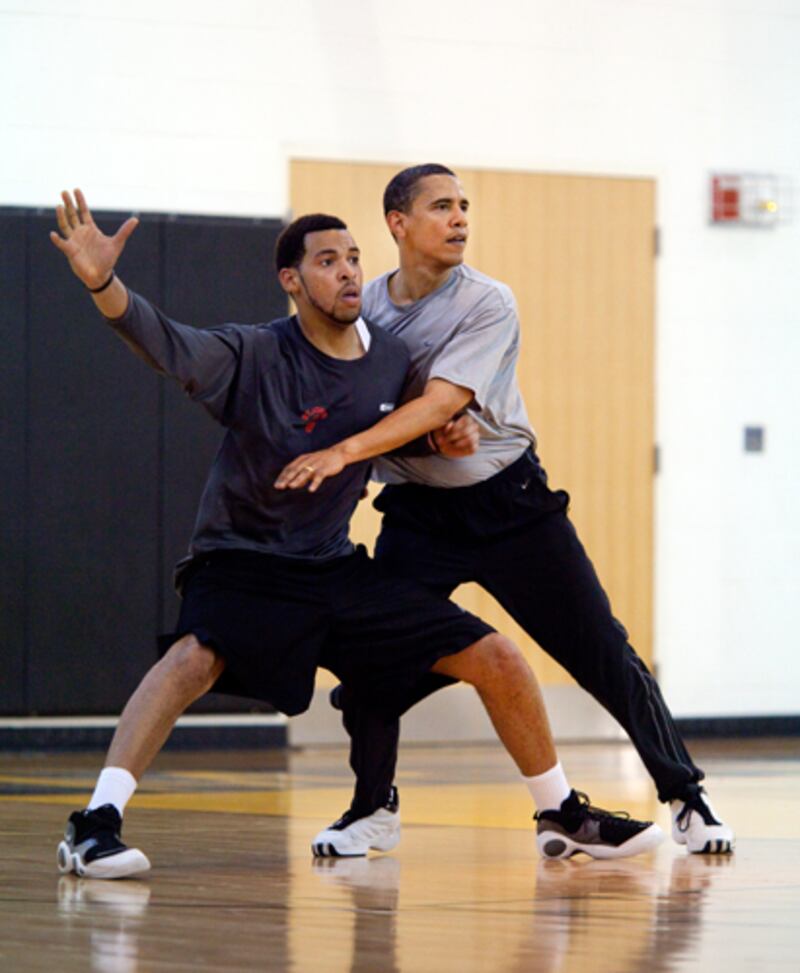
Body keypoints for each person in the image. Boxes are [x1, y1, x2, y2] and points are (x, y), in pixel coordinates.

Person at [50, 190, 661, 879]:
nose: (346, 273)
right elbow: (161, 340)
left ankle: (559, 812)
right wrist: (103, 282)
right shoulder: (252, 353)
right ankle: (95, 821)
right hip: (243, 560)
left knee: (498, 657)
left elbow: (423, 423)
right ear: (292, 280)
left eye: (353, 258)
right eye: (327, 261)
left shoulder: (391, 358)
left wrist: (448, 433)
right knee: (194, 657)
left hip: (331, 565)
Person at [275, 164, 735, 858]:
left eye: (464, 206)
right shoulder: (362, 309)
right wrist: (422, 438)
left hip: (511, 506)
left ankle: (686, 796)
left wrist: (381, 442)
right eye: (441, 207)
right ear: (398, 224)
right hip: (420, 517)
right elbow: (365, 398)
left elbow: (439, 399)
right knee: (370, 663)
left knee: (603, 651)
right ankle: (372, 808)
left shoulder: (488, 301)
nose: (460, 218)